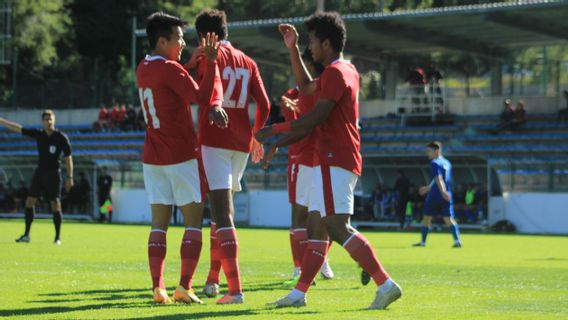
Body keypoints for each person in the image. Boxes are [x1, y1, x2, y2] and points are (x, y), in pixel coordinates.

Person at [256, 12, 402, 309]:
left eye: (311, 42)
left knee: (336, 226)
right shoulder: (342, 71)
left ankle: (384, 283)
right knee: (320, 229)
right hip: (336, 157)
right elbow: (307, 89)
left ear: (326, 42)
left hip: (335, 156)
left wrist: (275, 129)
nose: (309, 47)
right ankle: (298, 294)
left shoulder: (336, 73)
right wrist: (293, 48)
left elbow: (317, 116)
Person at [136, 11, 225, 305]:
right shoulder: (172, 71)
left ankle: (157, 288)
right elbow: (201, 96)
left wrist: (187, 64)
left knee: (158, 224)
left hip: (153, 156)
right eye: (179, 39)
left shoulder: (143, 67)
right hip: (181, 155)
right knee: (192, 223)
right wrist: (210, 61)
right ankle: (185, 286)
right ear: (162, 41)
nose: (184, 43)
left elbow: (169, 82)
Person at [187, 9, 270, 304]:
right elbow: (265, 104)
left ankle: (235, 290)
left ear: (202, 36)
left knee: (222, 214)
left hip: (215, 140)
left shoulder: (206, 55)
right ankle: (213, 279)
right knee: (220, 214)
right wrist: (257, 135)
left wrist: (213, 103)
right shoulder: (248, 61)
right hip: (241, 144)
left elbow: (202, 90)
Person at [279, 47, 333, 287]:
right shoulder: (290, 95)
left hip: (322, 159)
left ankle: (321, 259)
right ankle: (299, 266)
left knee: (326, 217)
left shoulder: (325, 89)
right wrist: (292, 113)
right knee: (298, 215)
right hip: (300, 159)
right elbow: (296, 127)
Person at [0, 110, 73, 244]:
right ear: (42, 121)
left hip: (54, 174)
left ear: (54, 120)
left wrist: (70, 177)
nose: (49, 121)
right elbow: (19, 129)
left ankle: (57, 237)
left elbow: (68, 159)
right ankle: (27, 235)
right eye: (46, 119)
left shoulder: (61, 138)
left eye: (51, 119)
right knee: (29, 202)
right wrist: (2, 121)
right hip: (40, 173)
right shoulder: (39, 134)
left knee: (55, 204)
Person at [414, 142, 462, 248]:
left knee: (426, 218)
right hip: (446, 194)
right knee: (449, 218)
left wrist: (442, 191)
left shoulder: (434, 163)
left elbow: (438, 178)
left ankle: (423, 242)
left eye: (429, 151)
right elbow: (440, 179)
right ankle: (457, 241)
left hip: (436, 195)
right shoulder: (447, 162)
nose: (427, 153)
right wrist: (429, 188)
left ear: (437, 150)